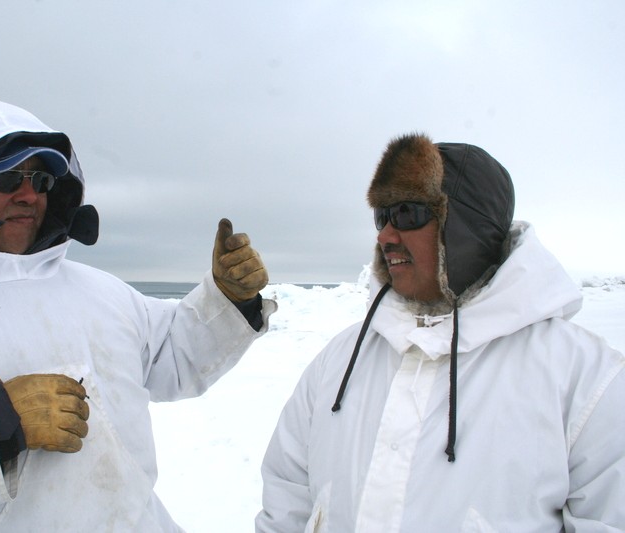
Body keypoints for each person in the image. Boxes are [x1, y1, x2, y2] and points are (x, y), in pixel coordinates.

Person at [0, 96, 276, 532]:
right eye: (7, 178)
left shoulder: (101, 292)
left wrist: (228, 297)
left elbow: (172, 355)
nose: (27, 194)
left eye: (40, 181)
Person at [256, 133, 625, 532]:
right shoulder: (340, 359)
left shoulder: (585, 380)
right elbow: (287, 497)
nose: (385, 236)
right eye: (382, 216)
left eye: (408, 213)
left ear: (467, 229)